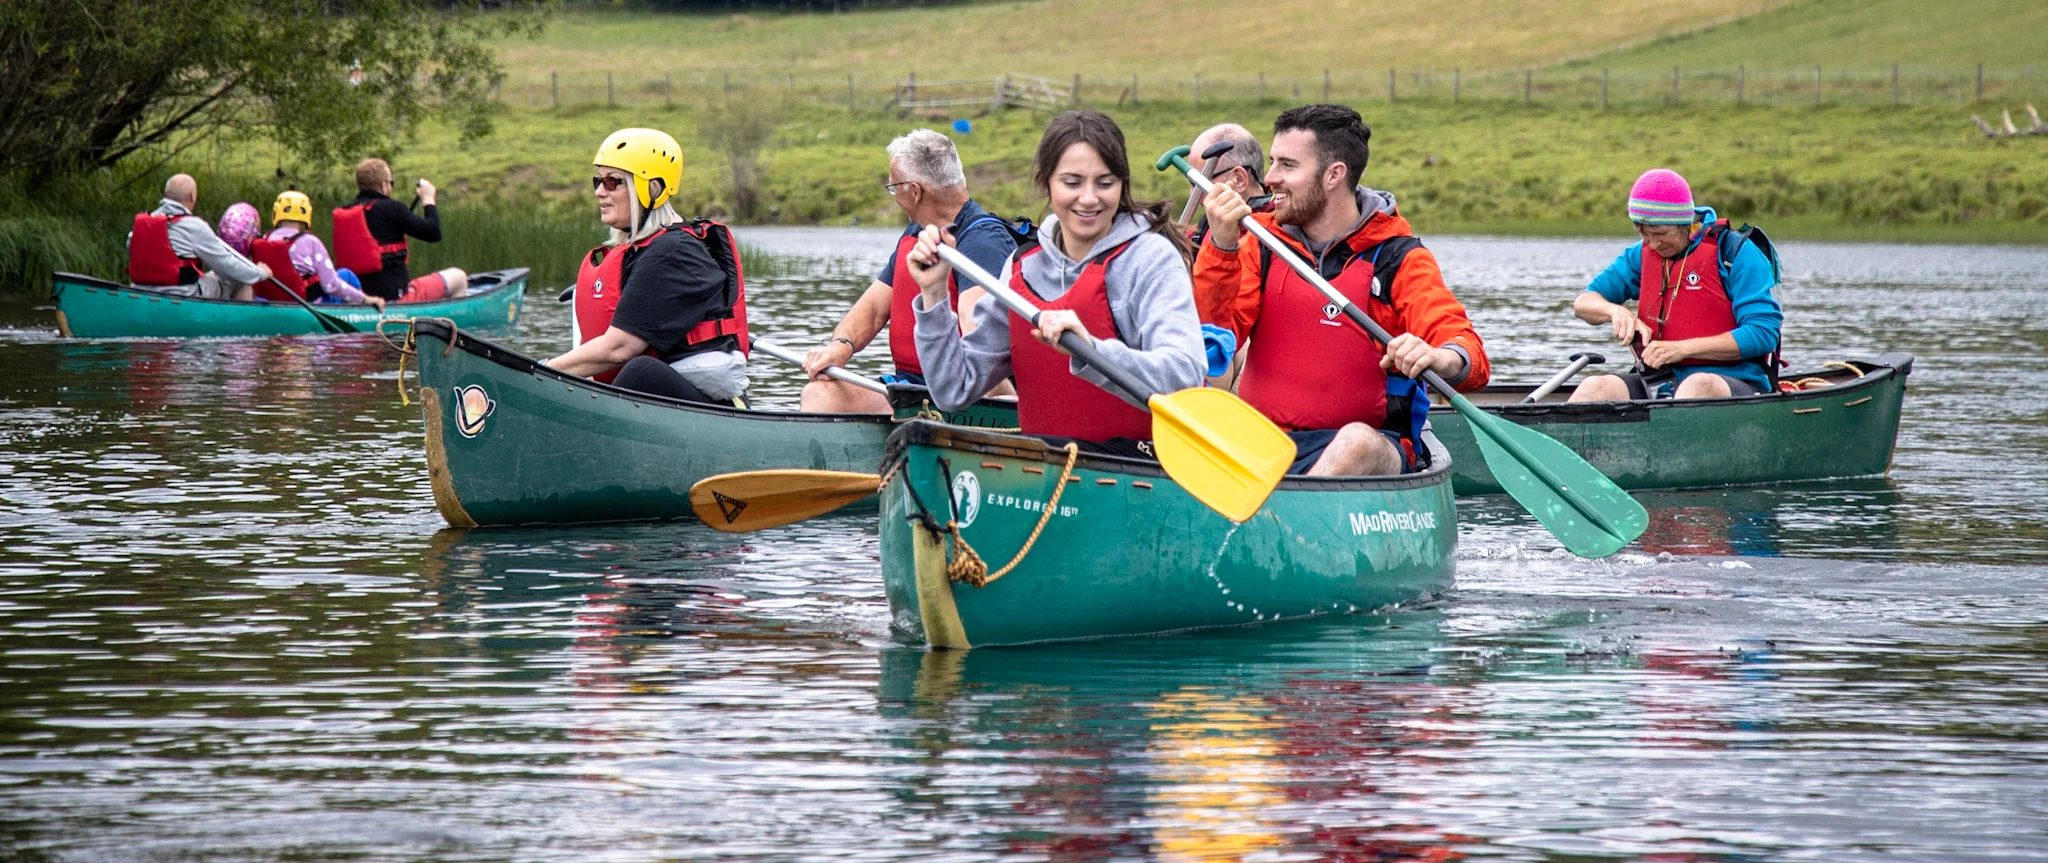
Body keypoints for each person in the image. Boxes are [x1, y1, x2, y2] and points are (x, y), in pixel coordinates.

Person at [1197, 104, 1490, 477]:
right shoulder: (1259, 242)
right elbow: (1213, 344)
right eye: (1272, 162)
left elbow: (1470, 357)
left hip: (1371, 449)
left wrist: (1440, 357)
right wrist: (1221, 248)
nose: (1269, 178)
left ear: (1334, 174)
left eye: (1287, 166)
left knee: (1355, 443)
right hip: (1264, 445)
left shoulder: (1398, 258)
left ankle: (1290, 515)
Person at [906, 110, 1205, 454]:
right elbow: (952, 390)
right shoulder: (1022, 267)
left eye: (1105, 183)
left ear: (1123, 185)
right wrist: (933, 294)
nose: (1089, 198)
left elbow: (1185, 378)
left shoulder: (1151, 259)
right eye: (1072, 182)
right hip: (1041, 474)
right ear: (1046, 182)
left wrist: (1093, 351)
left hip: (1136, 472)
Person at [799, 129, 1019, 414]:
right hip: (913, 387)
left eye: (893, 188)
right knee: (820, 395)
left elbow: (982, 347)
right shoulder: (916, 235)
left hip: (970, 392)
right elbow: (875, 309)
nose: (893, 195)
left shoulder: (982, 242)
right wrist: (840, 347)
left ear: (914, 192)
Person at [544, 128, 751, 406]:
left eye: (612, 182)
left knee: (641, 371)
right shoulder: (643, 250)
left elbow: (619, 348)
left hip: (707, 409)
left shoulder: (673, 252)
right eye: (598, 180)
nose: (599, 192)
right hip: (670, 402)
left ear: (651, 188)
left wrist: (541, 371)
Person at [1567, 168, 1784, 402]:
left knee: (1696, 385)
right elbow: (1583, 303)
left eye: (1659, 233)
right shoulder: (1641, 254)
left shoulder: (1735, 253)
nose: (1652, 244)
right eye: (1643, 233)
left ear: (1684, 223)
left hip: (1735, 383)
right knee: (1595, 387)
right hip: (1659, 382)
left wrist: (1681, 349)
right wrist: (1614, 311)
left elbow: (1763, 333)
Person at [332, 158, 466, 303]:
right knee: (458, 277)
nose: (391, 187)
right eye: (391, 183)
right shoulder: (391, 208)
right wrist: (428, 199)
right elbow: (433, 232)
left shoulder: (344, 212)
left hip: (360, 300)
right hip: (396, 299)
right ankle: (454, 323)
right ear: (383, 186)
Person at [126, 174, 269, 301]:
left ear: (165, 194)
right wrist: (258, 273)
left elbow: (131, 246)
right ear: (193, 196)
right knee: (238, 277)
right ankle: (240, 327)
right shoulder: (194, 226)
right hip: (183, 295)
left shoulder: (141, 224)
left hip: (139, 292)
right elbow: (226, 265)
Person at [247, 191, 384, 311]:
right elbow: (331, 286)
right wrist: (365, 298)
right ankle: (364, 309)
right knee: (346, 274)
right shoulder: (311, 242)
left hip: (272, 303)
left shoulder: (263, 241)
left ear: (276, 212)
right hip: (309, 305)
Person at [1183, 122, 1273, 248]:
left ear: (1239, 179)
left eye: (1200, 183)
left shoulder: (1278, 238)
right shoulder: (1198, 233)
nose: (1192, 194)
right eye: (1192, 183)